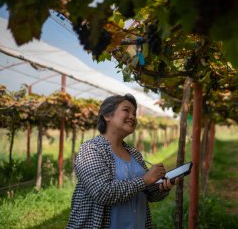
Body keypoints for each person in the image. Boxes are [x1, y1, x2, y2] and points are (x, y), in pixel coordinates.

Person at [67, 94, 175, 229]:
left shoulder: (133, 153)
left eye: (134, 113)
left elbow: (148, 194)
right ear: (107, 116)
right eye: (126, 110)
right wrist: (145, 180)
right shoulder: (91, 149)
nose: (132, 116)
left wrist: (162, 187)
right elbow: (102, 192)